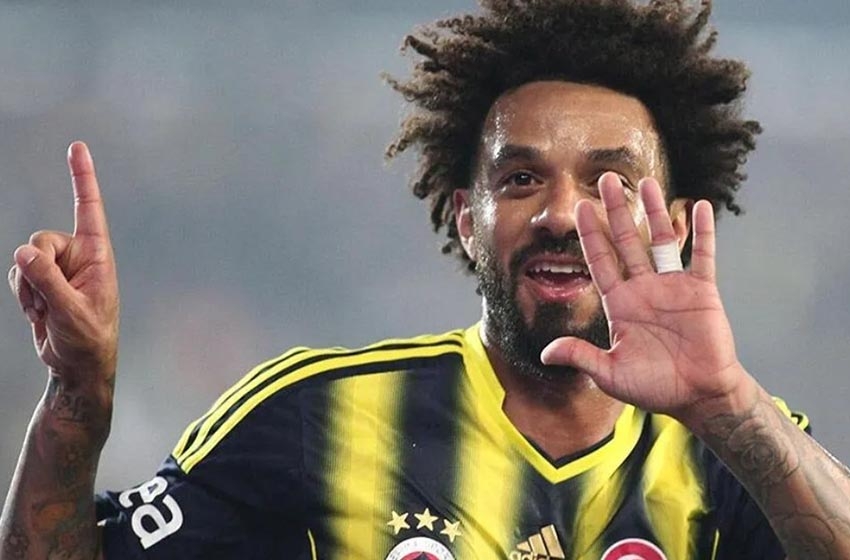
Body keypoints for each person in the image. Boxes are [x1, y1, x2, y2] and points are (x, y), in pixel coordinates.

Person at [2, 0, 850, 558]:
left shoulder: (741, 449)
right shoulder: (312, 419)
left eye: (608, 181)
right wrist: (80, 395)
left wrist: (728, 406)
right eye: (521, 178)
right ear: (466, 220)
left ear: (673, 221)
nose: (562, 213)